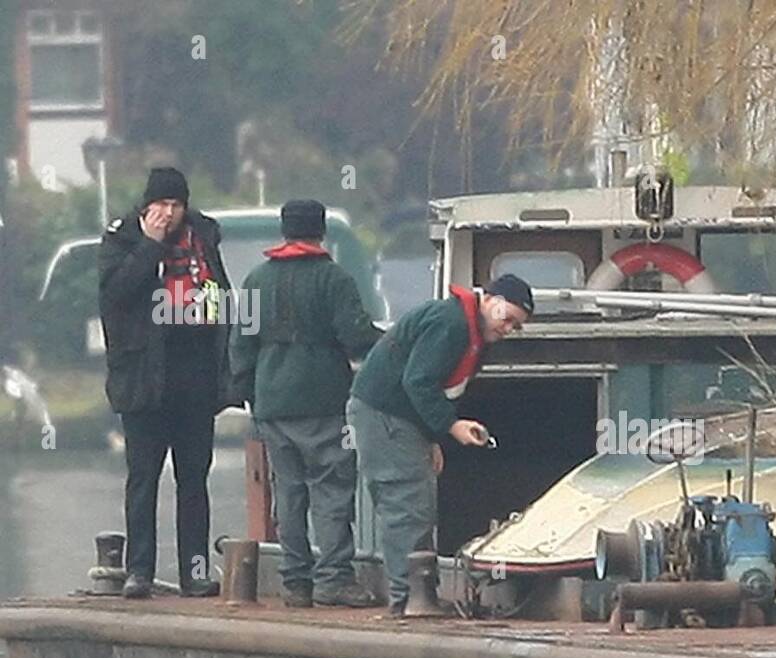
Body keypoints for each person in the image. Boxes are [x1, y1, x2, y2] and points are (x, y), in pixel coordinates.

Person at [347, 274, 533, 616]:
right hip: (385, 414)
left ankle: (417, 595)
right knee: (406, 504)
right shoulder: (452, 326)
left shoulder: (469, 331)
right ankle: (409, 598)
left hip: (399, 417)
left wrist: (431, 437)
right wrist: (450, 425)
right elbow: (418, 380)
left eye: (516, 326)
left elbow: (436, 386)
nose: (509, 329)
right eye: (508, 319)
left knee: (415, 502)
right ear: (490, 300)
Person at [229, 200, 382, 608]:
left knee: (289, 494)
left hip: (271, 404)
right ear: (320, 233)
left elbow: (241, 345)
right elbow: (356, 337)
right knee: (331, 492)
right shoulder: (333, 279)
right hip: (322, 400)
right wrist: (390, 343)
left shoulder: (257, 280)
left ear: (284, 231)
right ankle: (333, 580)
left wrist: (250, 394)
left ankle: (295, 583)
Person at [98, 167, 239, 598]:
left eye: (177, 205)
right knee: (143, 479)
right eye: (162, 205)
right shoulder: (120, 239)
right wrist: (150, 245)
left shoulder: (204, 237)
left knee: (194, 479)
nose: (170, 213)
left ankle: (194, 571)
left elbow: (220, 295)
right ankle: (139, 570)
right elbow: (116, 295)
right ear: (147, 207)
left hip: (194, 377)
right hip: (144, 381)